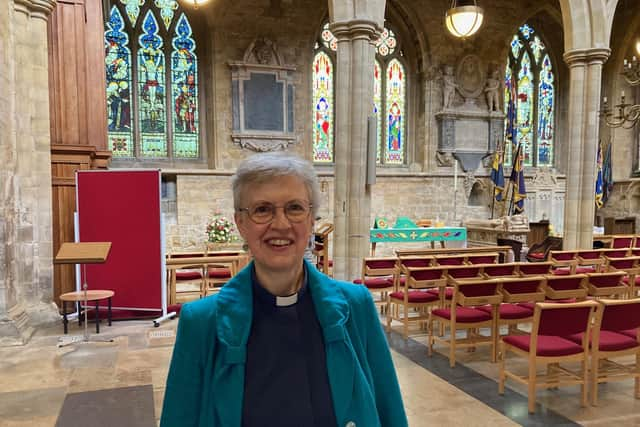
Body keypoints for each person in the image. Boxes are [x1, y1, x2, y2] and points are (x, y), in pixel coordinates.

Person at [160, 152, 407, 427]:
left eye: (295, 208)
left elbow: (390, 411)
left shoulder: (356, 306)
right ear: (241, 223)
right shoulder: (201, 323)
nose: (280, 224)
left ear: (312, 219)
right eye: (262, 209)